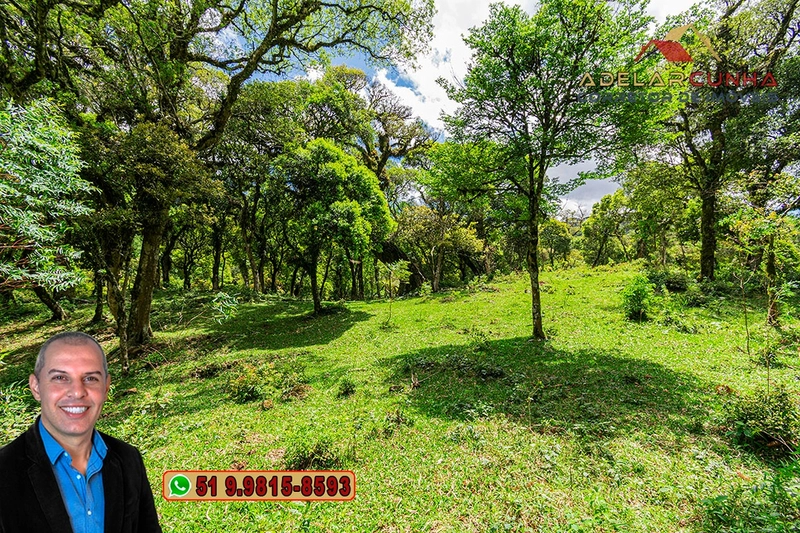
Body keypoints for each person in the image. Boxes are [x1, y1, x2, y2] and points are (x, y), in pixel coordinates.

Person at [0, 331, 162, 533]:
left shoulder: (129, 459)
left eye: (90, 378)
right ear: (36, 387)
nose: (77, 392)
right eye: (60, 377)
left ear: (106, 387)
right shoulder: (4, 470)